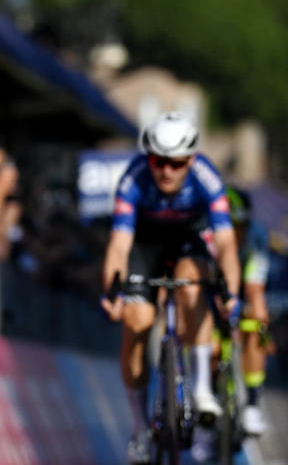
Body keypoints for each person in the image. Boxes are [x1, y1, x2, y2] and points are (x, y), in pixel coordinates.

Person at [101, 112, 241, 464]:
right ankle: (140, 428)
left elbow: (225, 244)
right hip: (144, 245)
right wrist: (112, 291)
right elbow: (119, 244)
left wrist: (231, 293)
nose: (166, 171)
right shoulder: (133, 179)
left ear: (191, 160)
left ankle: (202, 391)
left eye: (176, 164)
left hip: (188, 240)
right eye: (158, 161)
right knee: (136, 323)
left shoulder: (208, 177)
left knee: (192, 282)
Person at [226, 186, 271, 436]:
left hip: (244, 288)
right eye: (233, 225)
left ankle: (252, 405)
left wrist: (257, 308)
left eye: (242, 225)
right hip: (215, 289)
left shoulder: (257, 236)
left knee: (256, 326)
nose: (238, 232)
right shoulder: (209, 235)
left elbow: (255, 286)